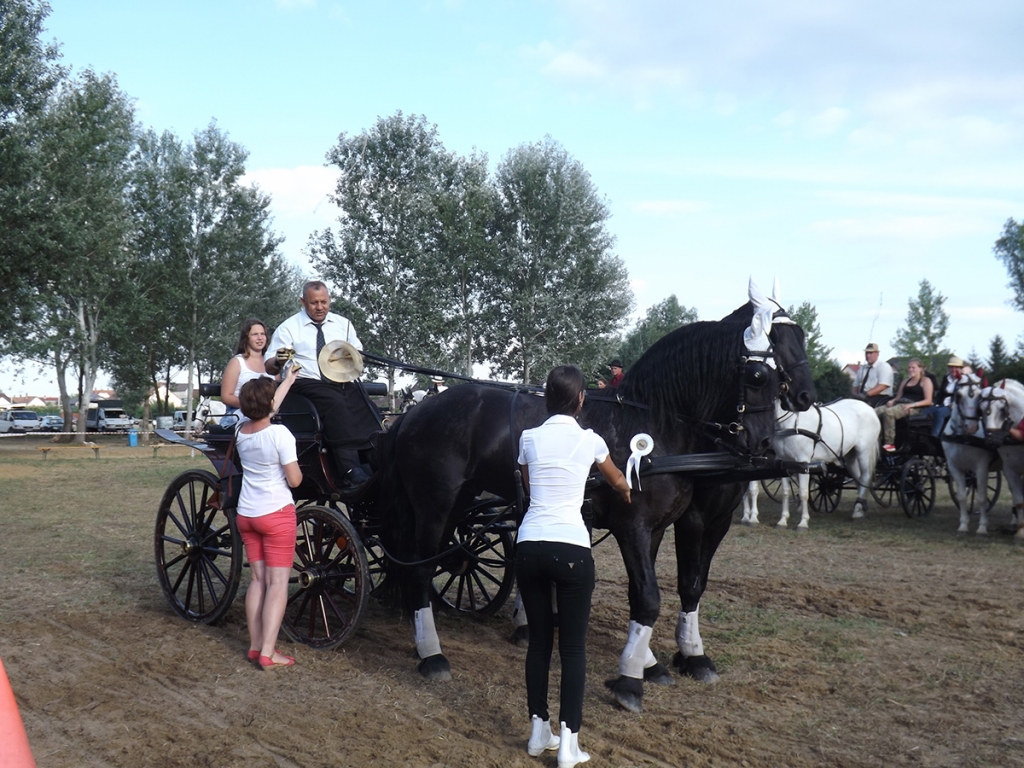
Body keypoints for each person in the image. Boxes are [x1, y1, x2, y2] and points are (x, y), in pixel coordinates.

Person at [516, 365, 632, 767]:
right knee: (573, 649)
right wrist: (626, 489)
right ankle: (569, 743)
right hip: (570, 548)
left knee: (539, 643)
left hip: (529, 546)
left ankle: (538, 731)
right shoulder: (591, 440)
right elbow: (616, 480)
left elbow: (530, 486)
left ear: (548, 398)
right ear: (581, 399)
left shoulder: (528, 438)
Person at [265, 281, 382, 486]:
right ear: (303, 302)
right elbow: (269, 367)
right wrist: (279, 360)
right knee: (336, 404)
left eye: (324, 302)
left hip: (341, 381)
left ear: (329, 300)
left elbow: (358, 353)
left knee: (367, 407)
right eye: (314, 303)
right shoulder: (289, 328)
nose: (320, 307)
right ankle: (349, 469)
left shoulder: (343, 324)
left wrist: (354, 357)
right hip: (306, 383)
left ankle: (377, 462)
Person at [235, 373, 302, 669]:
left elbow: (265, 408)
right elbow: (295, 480)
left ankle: (254, 646)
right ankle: (269, 652)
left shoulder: (241, 431)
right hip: (276, 513)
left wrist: (288, 380)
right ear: (271, 403)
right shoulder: (281, 434)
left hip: (246, 514)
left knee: (258, 580)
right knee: (277, 584)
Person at [875, 358, 934, 452]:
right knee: (875, 412)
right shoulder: (905, 381)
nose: (910, 370)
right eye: (909, 367)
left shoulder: (925, 381)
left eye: (913, 368)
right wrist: (893, 400)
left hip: (916, 407)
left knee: (889, 412)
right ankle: (875, 438)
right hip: (900, 403)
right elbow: (898, 396)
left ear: (920, 369)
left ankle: (889, 443)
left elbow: (928, 400)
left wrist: (913, 405)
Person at [221, 318, 273, 411]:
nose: (260, 338)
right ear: (246, 338)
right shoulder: (237, 362)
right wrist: (252, 407)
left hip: (269, 414)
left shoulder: (271, 362)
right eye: (255, 334)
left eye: (262, 334)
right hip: (240, 413)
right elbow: (226, 396)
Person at [921, 355, 964, 438]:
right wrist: (933, 403)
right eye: (951, 367)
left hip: (955, 407)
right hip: (942, 404)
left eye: (956, 367)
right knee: (925, 411)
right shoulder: (946, 378)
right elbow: (940, 394)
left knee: (939, 413)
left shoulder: (963, 380)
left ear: (961, 369)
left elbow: (963, 397)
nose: (953, 369)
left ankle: (934, 437)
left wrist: (953, 404)